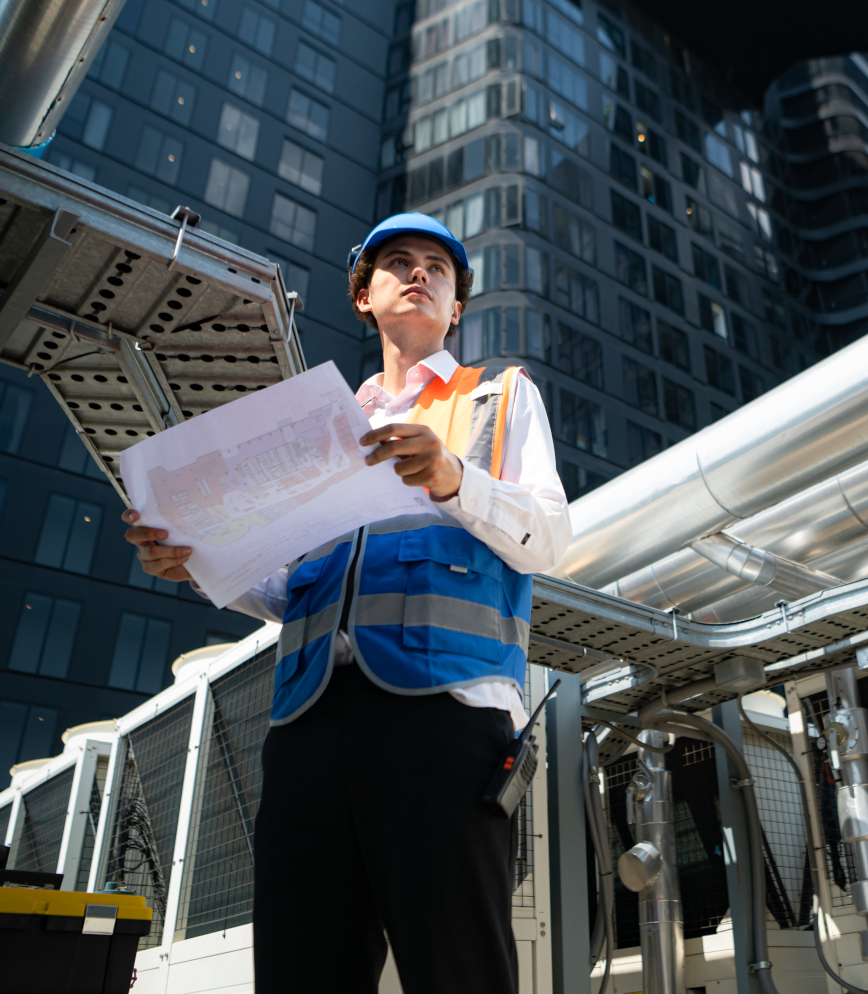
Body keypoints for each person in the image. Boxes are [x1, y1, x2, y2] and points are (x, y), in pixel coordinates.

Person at [121, 213, 571, 993]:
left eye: (439, 267)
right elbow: (298, 591)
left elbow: (552, 541)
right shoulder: (322, 426)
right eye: (399, 262)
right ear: (365, 296)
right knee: (303, 968)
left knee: (457, 969)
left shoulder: (498, 400)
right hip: (308, 729)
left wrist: (456, 479)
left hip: (447, 720)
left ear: (457, 306)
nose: (421, 274)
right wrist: (198, 562)